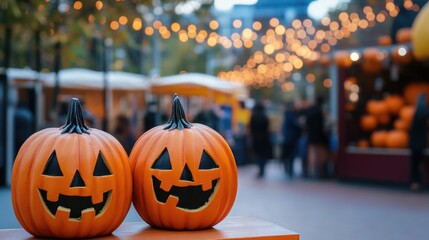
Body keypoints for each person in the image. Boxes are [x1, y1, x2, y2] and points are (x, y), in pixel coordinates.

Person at [408, 93, 429, 192]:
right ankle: (417, 183)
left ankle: (415, 183)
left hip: (414, 143)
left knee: (415, 164)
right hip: (419, 143)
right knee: (418, 164)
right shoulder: (423, 111)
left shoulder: (415, 112)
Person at [304, 96, 328, 178]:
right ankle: (319, 170)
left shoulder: (309, 111)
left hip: (312, 134)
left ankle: (312, 170)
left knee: (312, 151)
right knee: (318, 152)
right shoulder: (320, 111)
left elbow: (306, 122)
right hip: (319, 134)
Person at [249, 102, 272, 178]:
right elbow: (268, 128)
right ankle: (263, 168)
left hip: (256, 138)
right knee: (263, 154)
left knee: (258, 154)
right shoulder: (265, 117)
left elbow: (251, 128)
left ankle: (259, 168)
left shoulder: (253, 117)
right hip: (264, 138)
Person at [281, 101, 301, 178]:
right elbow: (294, 123)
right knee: (289, 153)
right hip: (290, 136)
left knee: (291, 153)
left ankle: (289, 168)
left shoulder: (295, 113)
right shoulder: (289, 113)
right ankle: (288, 168)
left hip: (292, 136)